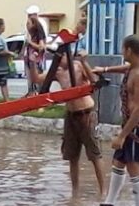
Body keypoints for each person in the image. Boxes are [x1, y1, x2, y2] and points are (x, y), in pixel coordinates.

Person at [30, 24, 104, 195]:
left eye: (59, 54)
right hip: (70, 115)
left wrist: (85, 62)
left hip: (86, 113)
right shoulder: (56, 72)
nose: (57, 58)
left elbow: (94, 81)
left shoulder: (77, 66)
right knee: (72, 156)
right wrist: (33, 62)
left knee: (94, 154)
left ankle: (103, 192)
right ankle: (75, 192)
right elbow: (37, 79)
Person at [99, 35, 139, 206]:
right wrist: (105, 69)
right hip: (131, 121)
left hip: (138, 124)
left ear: (129, 51)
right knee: (119, 162)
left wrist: (122, 135)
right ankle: (110, 201)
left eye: (122, 49)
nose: (121, 52)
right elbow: (126, 68)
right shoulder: (137, 64)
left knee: (133, 165)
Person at [24, 5, 47, 94]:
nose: (27, 26)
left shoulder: (38, 35)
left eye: (28, 24)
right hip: (30, 60)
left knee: (36, 81)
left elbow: (41, 47)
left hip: (35, 61)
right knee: (31, 82)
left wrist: (30, 43)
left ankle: (37, 97)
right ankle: (32, 95)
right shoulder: (32, 35)